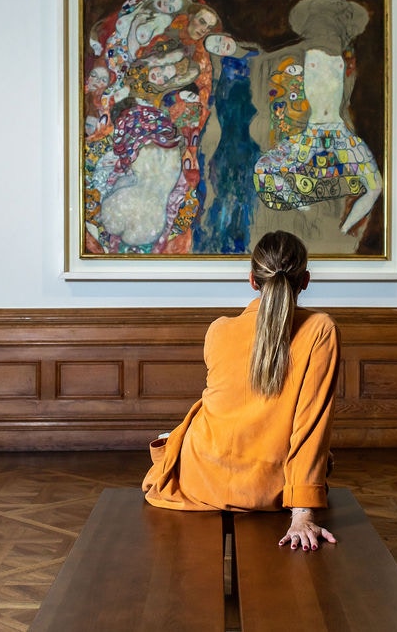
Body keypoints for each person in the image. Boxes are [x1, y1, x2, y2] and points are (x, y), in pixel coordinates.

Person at [142, 231, 340, 551]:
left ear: (252, 280)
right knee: (323, 455)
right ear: (305, 280)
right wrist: (301, 513)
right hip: (266, 489)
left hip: (202, 479)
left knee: (187, 432)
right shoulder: (321, 329)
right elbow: (310, 426)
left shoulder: (219, 329)